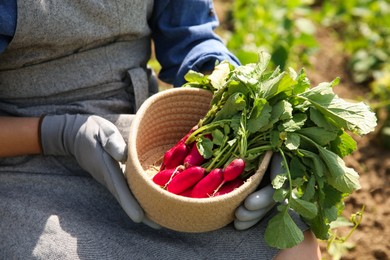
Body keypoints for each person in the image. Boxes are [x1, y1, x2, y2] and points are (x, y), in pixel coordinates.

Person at [0, 0, 321, 259]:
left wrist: (246, 114)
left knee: (290, 242)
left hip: (138, 135)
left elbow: (190, 36)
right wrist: (56, 133)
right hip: (22, 158)